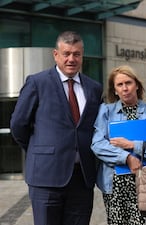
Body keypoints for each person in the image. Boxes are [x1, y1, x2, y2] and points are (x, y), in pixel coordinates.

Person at [10, 31, 103, 225]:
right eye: (66, 53)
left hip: (82, 178)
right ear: (55, 54)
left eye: (76, 54)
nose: (71, 59)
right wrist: (39, 149)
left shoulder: (94, 88)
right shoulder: (37, 82)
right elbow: (18, 125)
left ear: (82, 56)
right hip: (46, 177)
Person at [91, 65, 146, 225]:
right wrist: (126, 157)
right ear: (114, 90)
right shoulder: (106, 112)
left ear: (137, 85)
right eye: (119, 85)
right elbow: (98, 144)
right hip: (115, 188)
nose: (125, 88)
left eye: (128, 83)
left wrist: (131, 145)